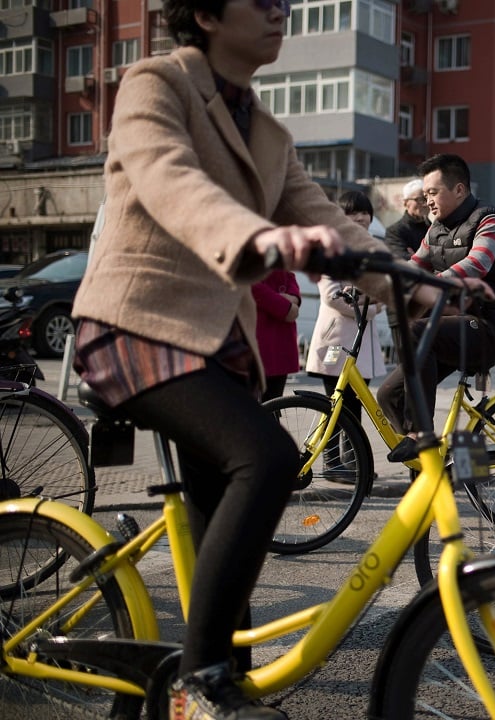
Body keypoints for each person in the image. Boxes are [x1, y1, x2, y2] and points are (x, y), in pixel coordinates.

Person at [67, 2, 448, 717]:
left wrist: (426, 286)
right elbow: (173, 183)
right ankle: (198, 681)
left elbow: (325, 219)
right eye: (263, 4)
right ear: (207, 15)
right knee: (269, 458)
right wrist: (262, 241)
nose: (280, 16)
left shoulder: (268, 129)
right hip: (133, 325)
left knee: (227, 526)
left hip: (213, 345)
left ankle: (224, 685)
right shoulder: (155, 83)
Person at [376, 153, 495, 461]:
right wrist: (370, 289)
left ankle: (420, 434)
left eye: (433, 193)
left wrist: (432, 282)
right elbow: (412, 267)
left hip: (489, 327)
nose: (428, 202)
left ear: (460, 190)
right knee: (388, 394)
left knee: (417, 329)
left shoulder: (488, 219)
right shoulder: (435, 230)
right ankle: (431, 466)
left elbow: (477, 263)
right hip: (452, 328)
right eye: (424, 195)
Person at [306, 190, 387, 429]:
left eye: (365, 212)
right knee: (334, 407)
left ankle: (353, 464)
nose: (360, 218)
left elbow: (383, 292)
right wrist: (370, 306)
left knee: (355, 410)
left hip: (364, 344)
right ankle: (333, 463)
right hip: (337, 340)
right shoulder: (329, 247)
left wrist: (368, 299)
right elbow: (333, 297)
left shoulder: (374, 248)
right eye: (352, 213)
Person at [251, 268, 301, 402]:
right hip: (259, 334)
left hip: (280, 338)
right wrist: (286, 307)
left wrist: (293, 299)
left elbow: (290, 278)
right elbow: (251, 284)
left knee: (274, 402)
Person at [383, 178, 430, 260]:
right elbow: (402, 260)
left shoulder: (434, 228)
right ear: (405, 203)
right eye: (419, 199)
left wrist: (417, 257)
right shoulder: (394, 231)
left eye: (426, 198)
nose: (425, 204)